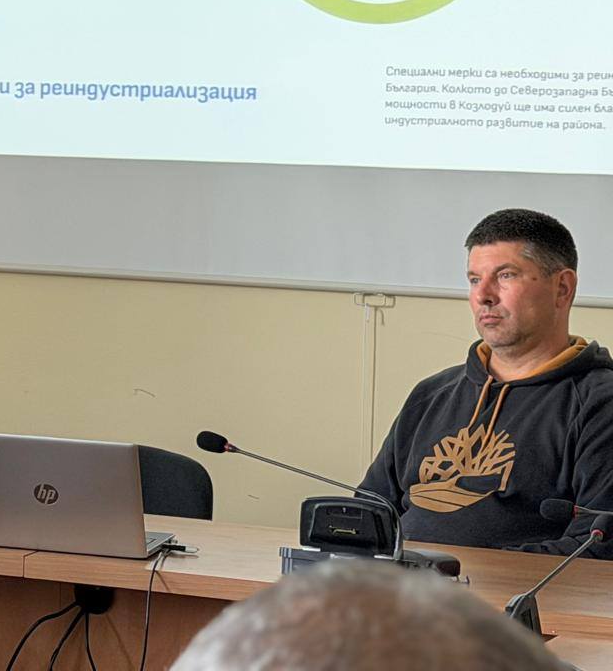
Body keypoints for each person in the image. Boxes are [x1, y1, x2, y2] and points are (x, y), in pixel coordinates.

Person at [359, 208, 613, 556]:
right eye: (475, 279)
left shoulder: (600, 403)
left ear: (562, 288)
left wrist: (470, 573)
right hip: (398, 585)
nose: (484, 295)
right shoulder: (431, 394)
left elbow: (598, 546)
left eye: (505, 275)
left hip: (515, 591)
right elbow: (369, 514)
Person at [169, 559, 564, 670]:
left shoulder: (589, 401)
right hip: (400, 572)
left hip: (509, 581)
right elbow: (373, 497)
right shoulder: (431, 396)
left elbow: (588, 536)